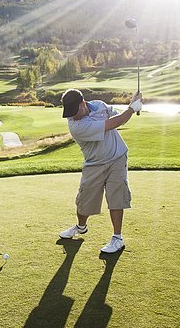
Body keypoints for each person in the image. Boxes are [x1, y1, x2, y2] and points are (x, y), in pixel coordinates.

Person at [59, 89, 142, 253]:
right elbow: (113, 123)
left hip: (117, 157)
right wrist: (132, 109)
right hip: (94, 163)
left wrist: (132, 105)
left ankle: (117, 238)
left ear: (83, 104)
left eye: (74, 111)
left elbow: (114, 114)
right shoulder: (76, 126)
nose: (71, 116)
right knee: (84, 201)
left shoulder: (98, 105)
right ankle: (80, 227)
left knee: (116, 196)